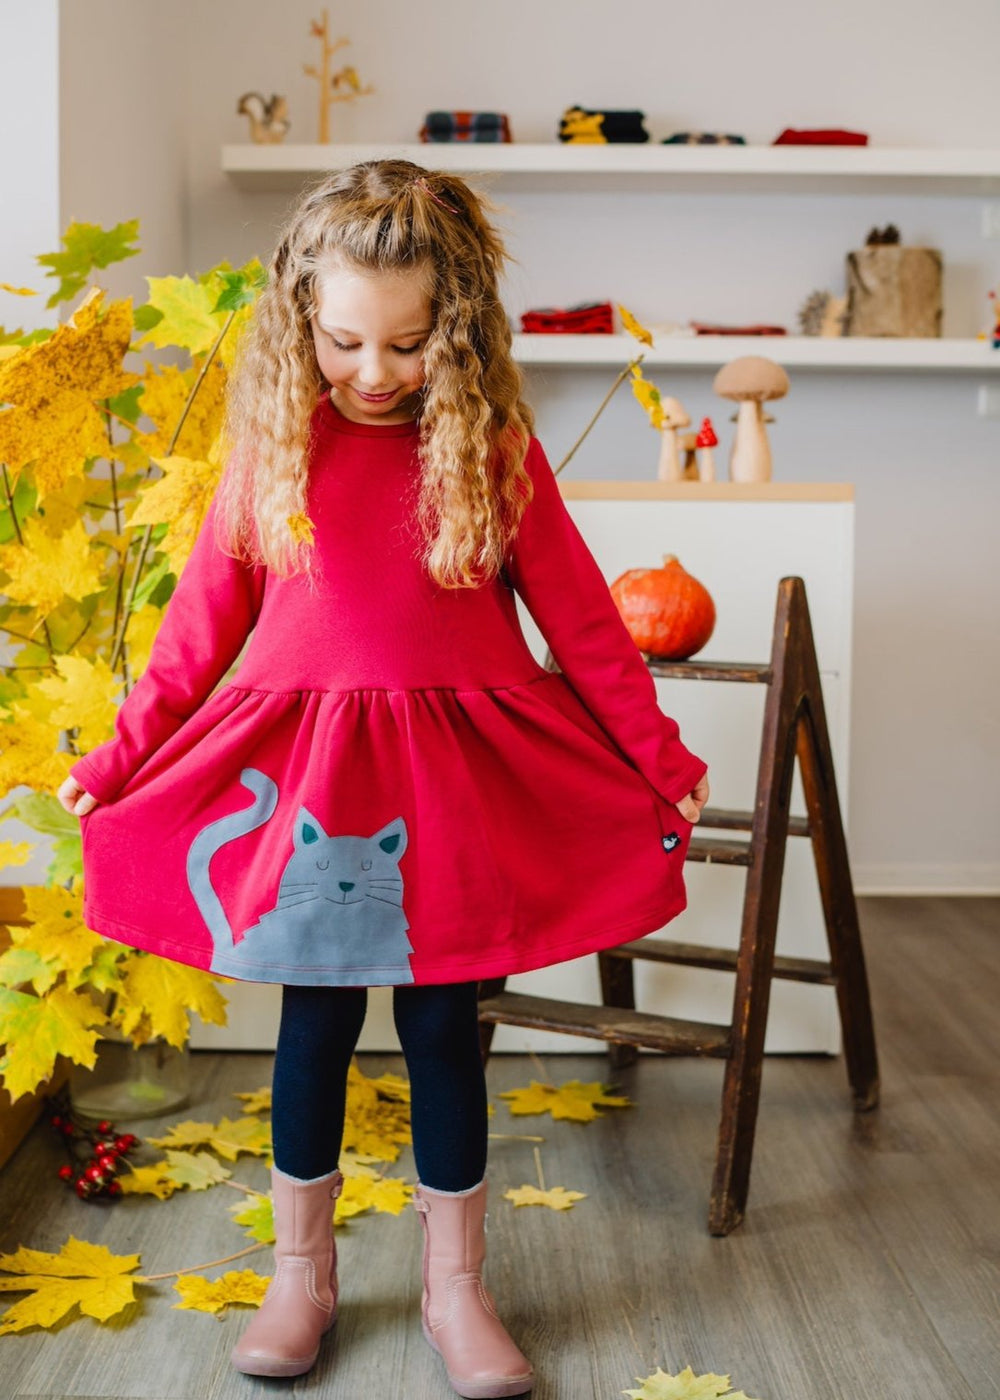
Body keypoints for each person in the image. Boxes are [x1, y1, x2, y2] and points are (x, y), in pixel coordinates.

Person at [58, 159, 709, 1399]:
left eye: (407, 345)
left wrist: (660, 760)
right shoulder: (272, 456)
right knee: (313, 1024)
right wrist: (121, 755)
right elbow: (196, 632)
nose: (372, 372)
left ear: (455, 331)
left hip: (456, 794)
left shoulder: (493, 451)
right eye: (346, 340)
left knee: (442, 1031)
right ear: (302, 319)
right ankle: (298, 1275)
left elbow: (584, 630)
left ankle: (455, 1288)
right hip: (314, 800)